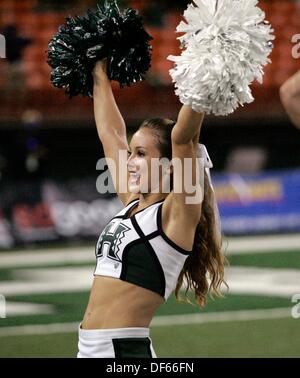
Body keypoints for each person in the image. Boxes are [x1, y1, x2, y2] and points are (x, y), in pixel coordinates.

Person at [77, 59, 227, 358]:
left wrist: (203, 75)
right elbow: (110, 133)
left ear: (170, 166)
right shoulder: (133, 202)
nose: (129, 162)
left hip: (123, 353)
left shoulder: (176, 216)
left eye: (141, 154)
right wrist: (99, 70)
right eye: (131, 153)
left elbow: (182, 138)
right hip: (90, 350)